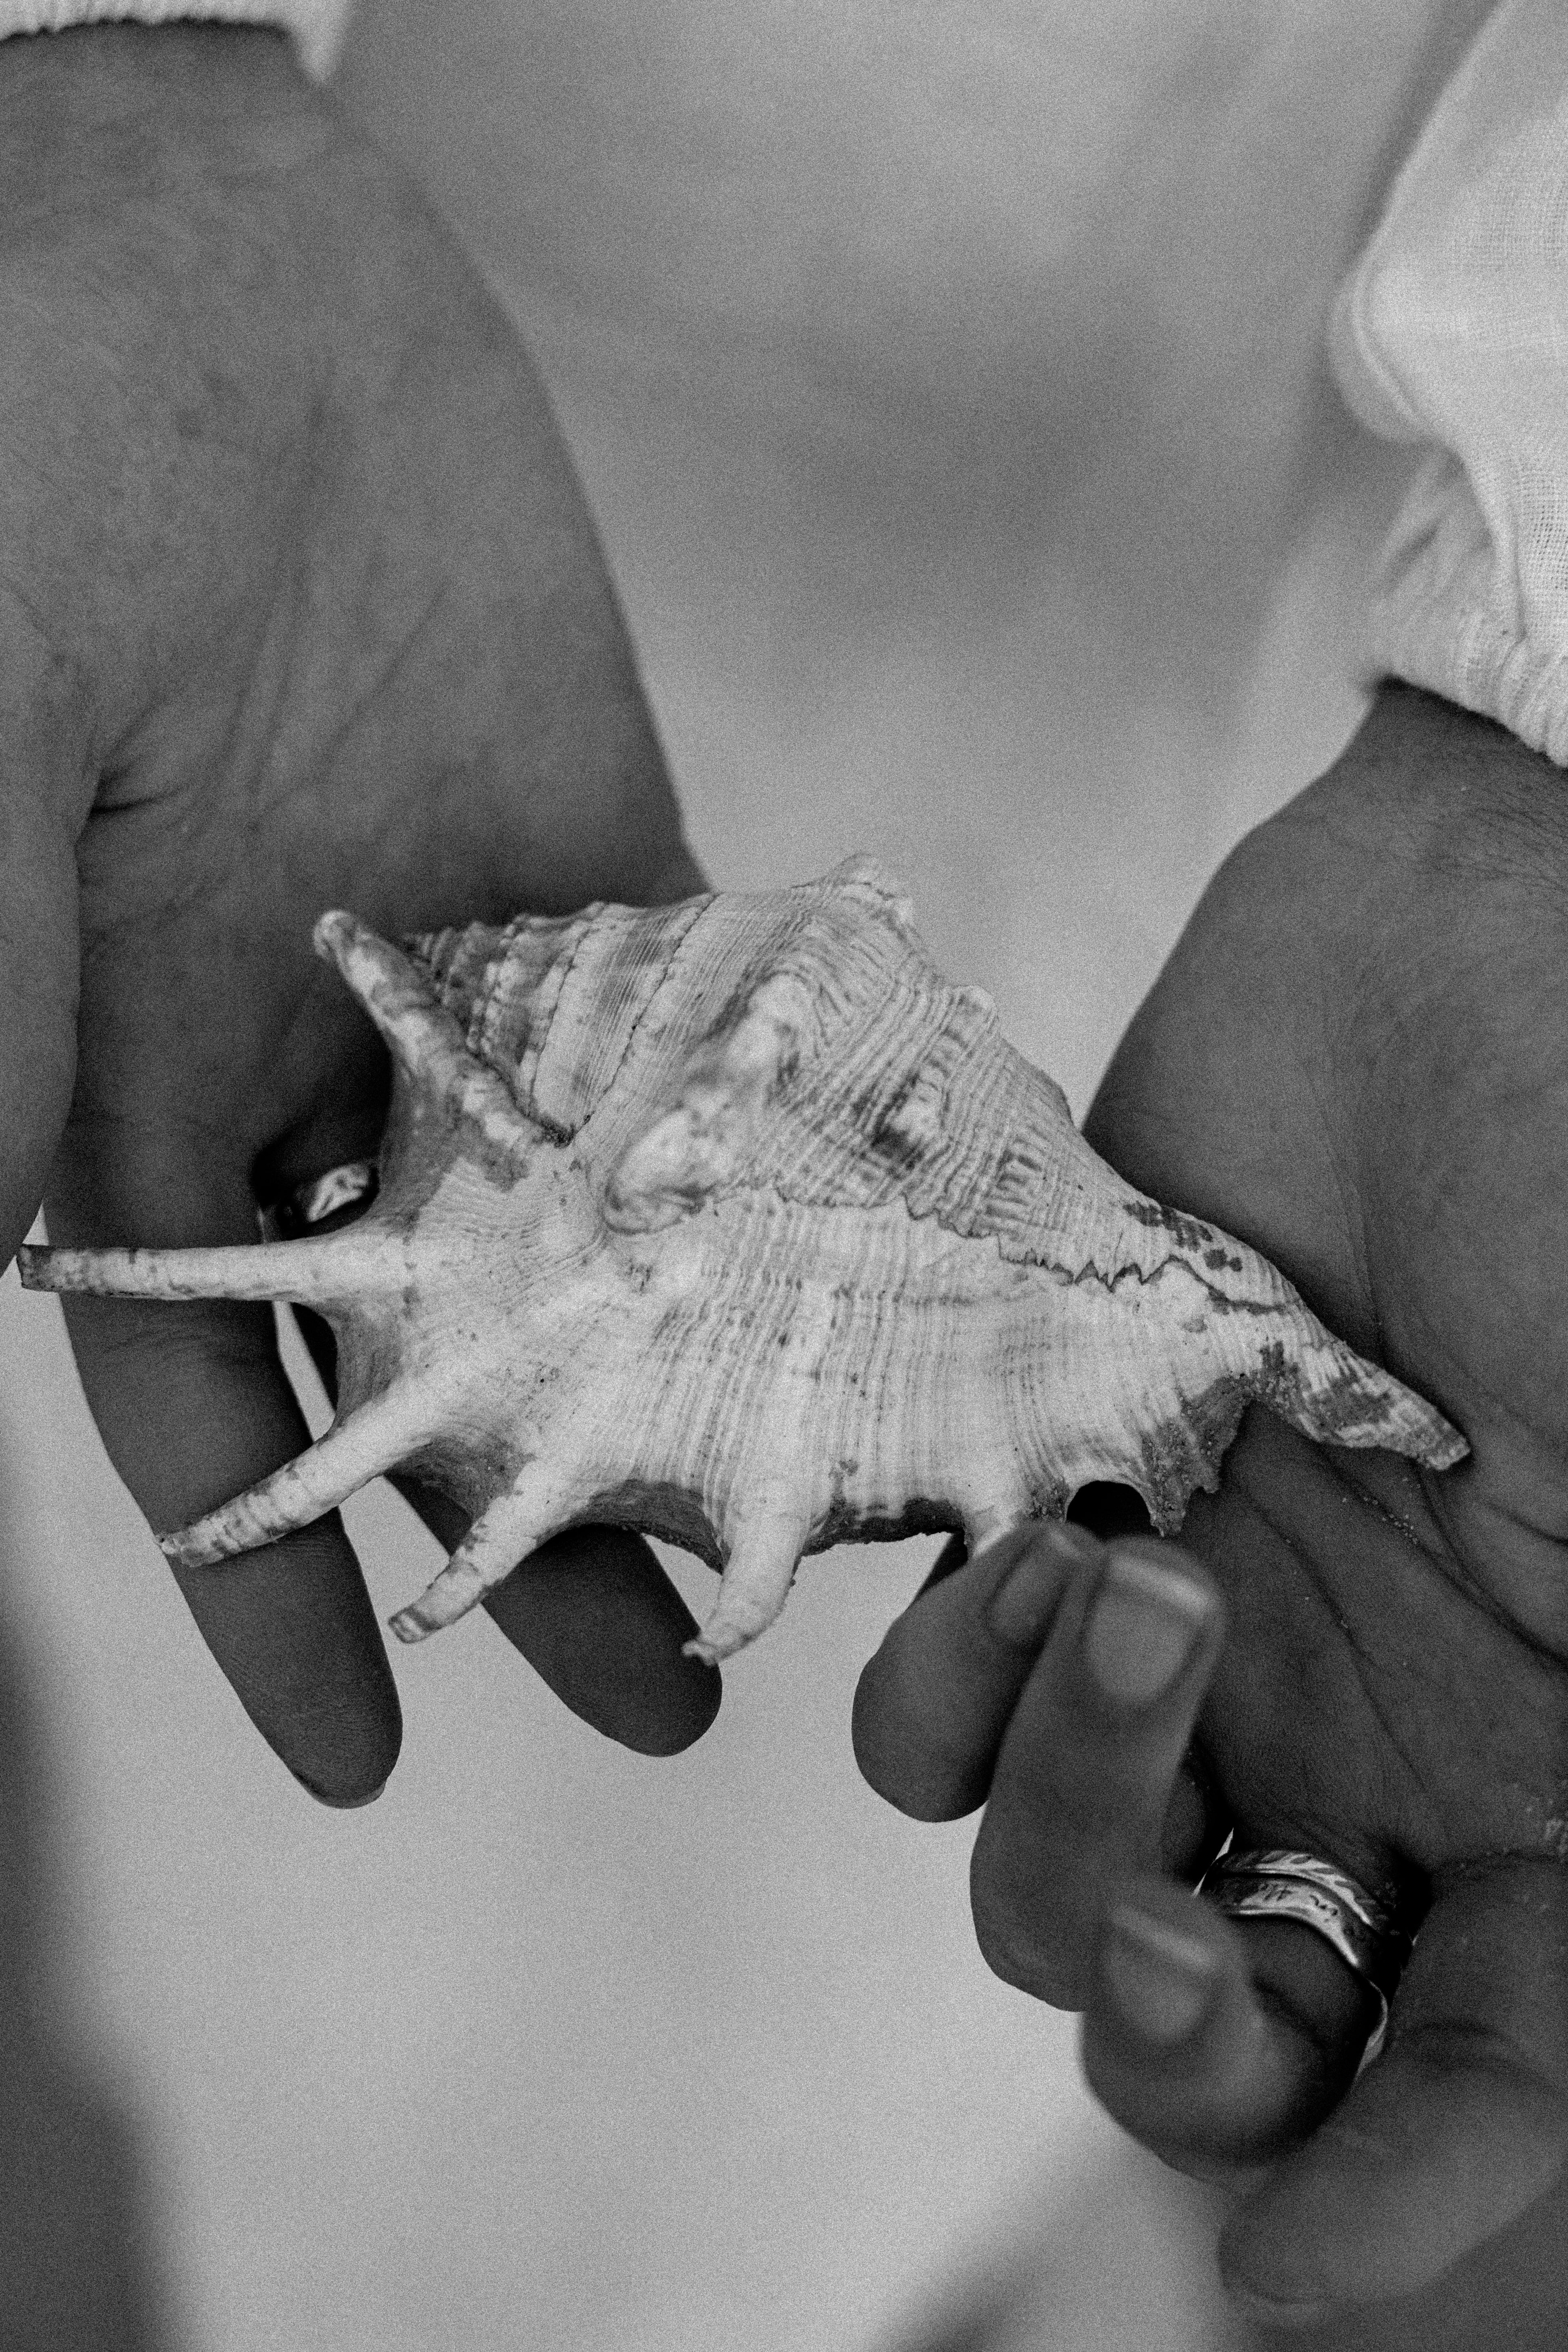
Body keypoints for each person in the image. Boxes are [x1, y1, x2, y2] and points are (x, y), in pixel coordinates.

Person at [0, 5, 1562, 2346]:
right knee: (369, 1938)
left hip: (1235, 525)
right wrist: (88, 95)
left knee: (924, 1882)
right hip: (370, 482)